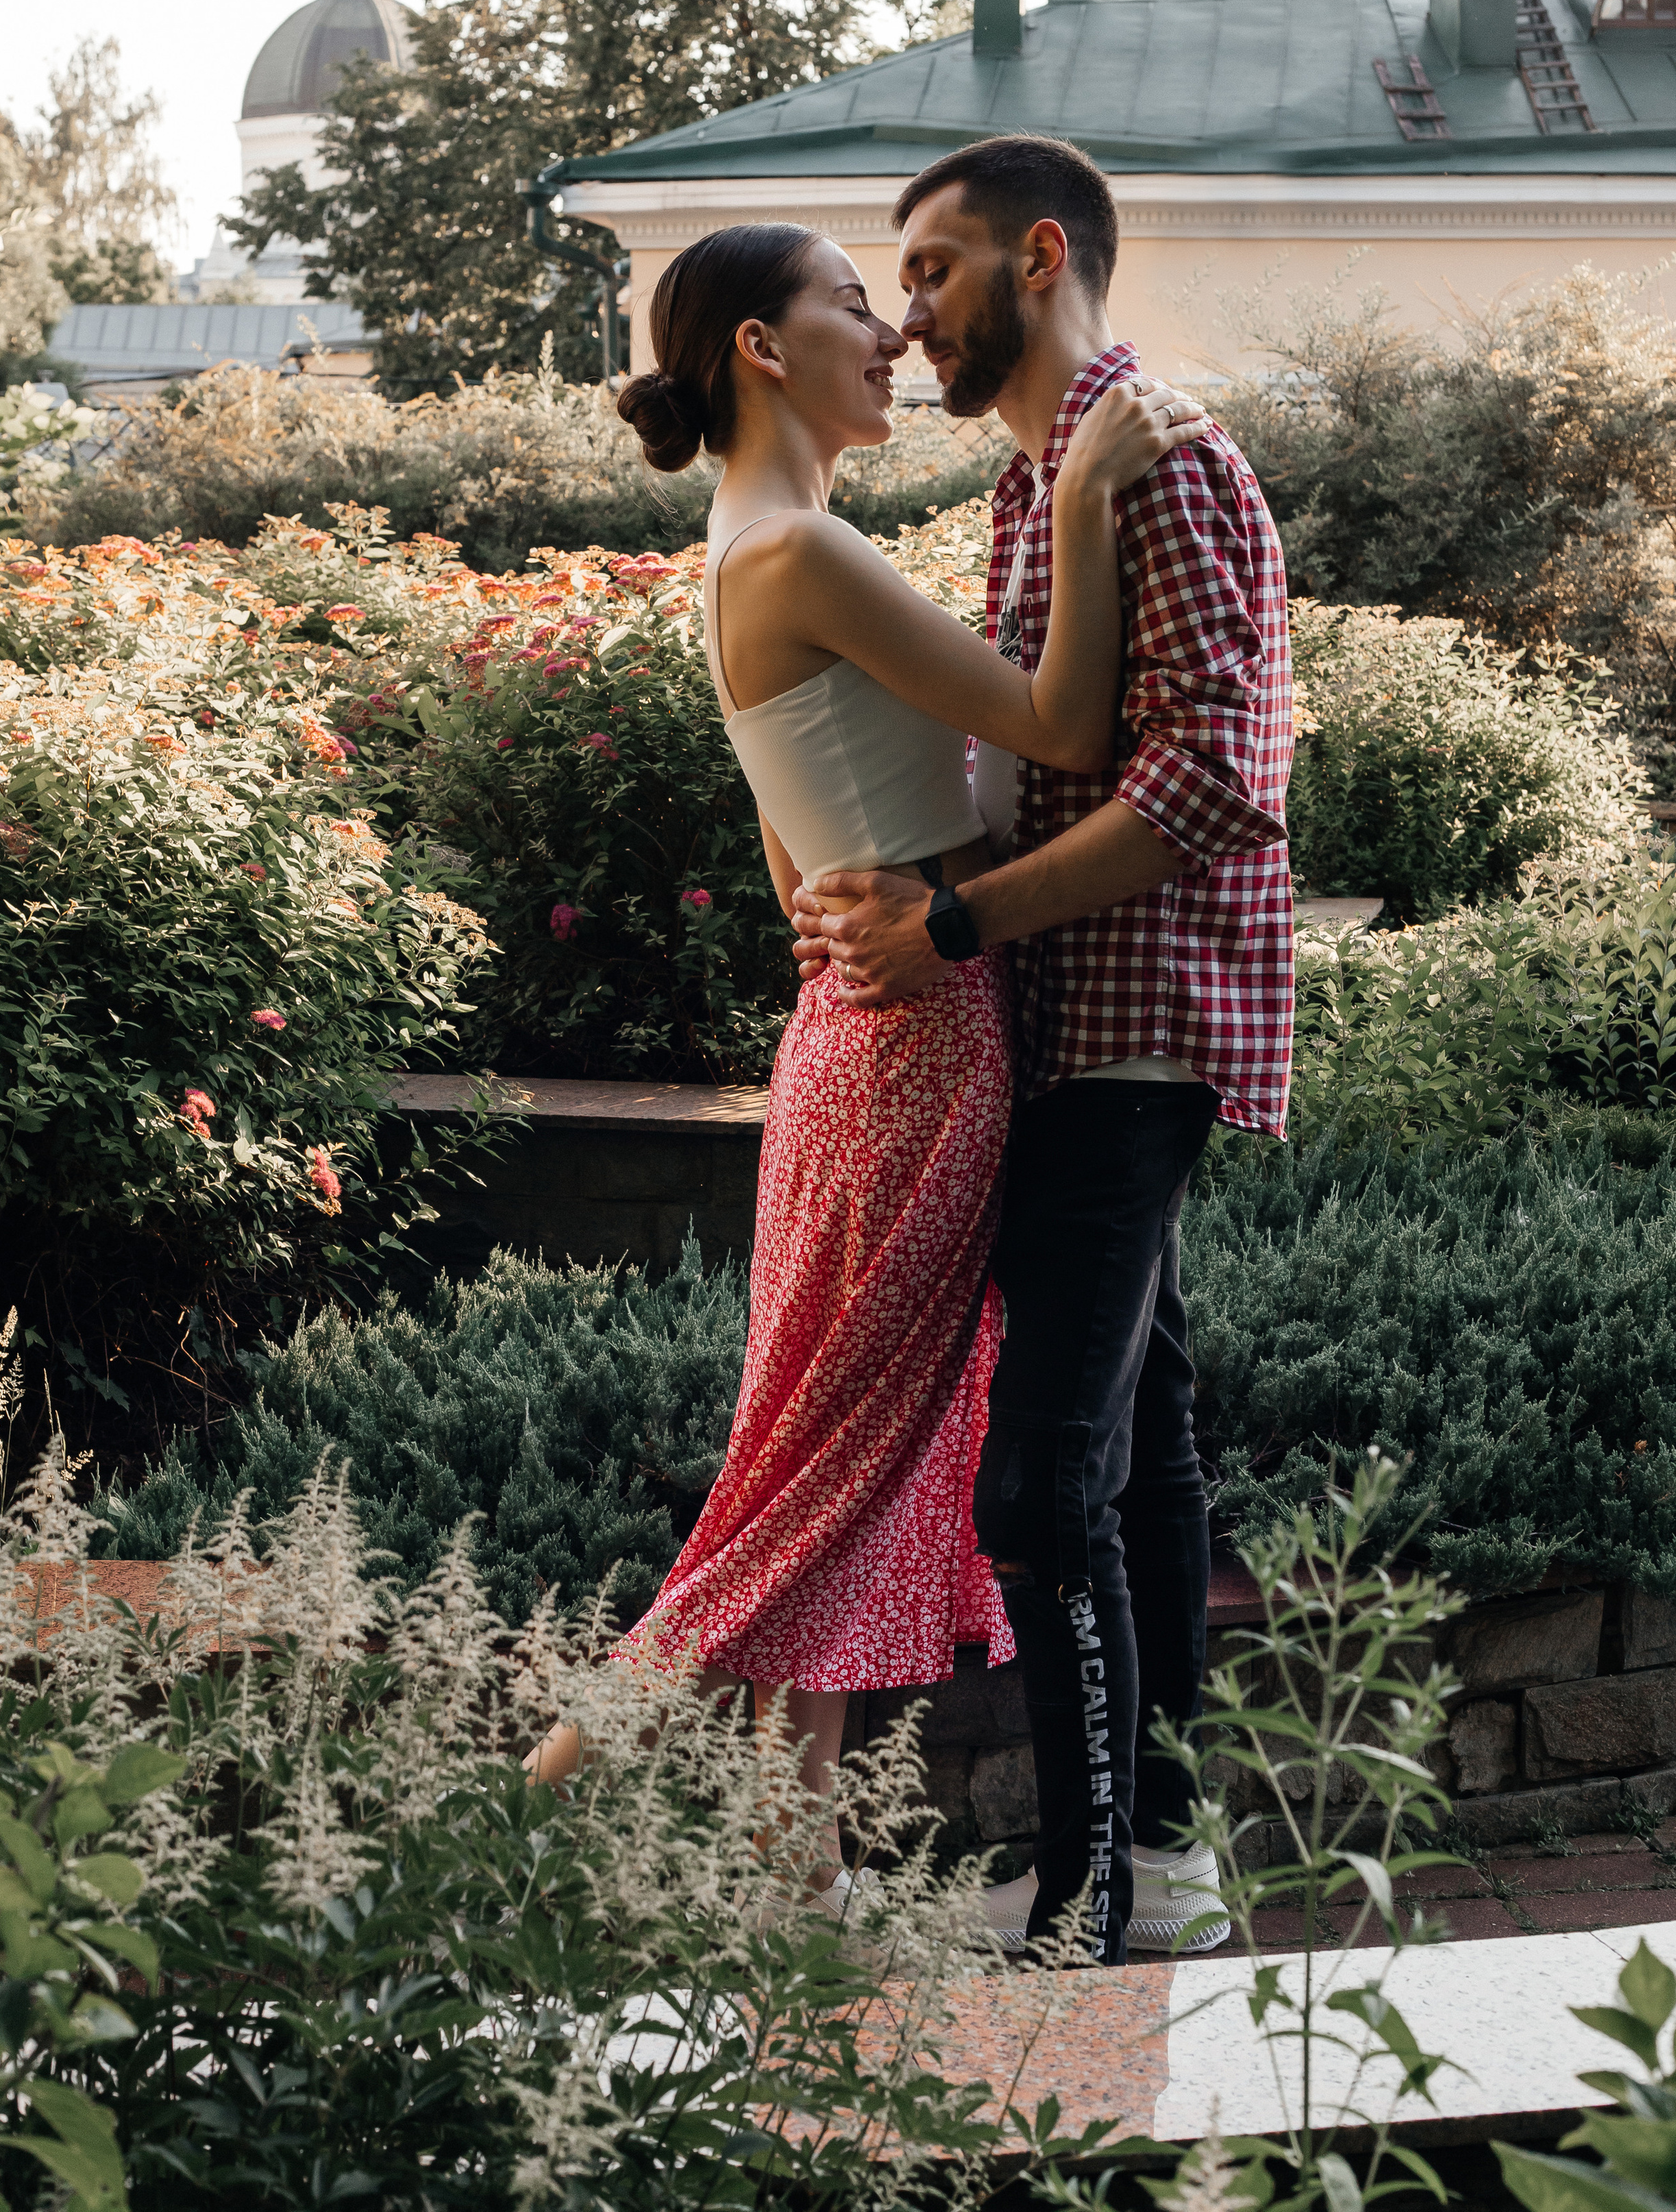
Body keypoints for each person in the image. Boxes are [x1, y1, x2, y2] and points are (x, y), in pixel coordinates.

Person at [524, 221, 1205, 1919]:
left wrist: (864, 893)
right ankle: (480, 1840)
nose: (889, 333)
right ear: (761, 349)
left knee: (814, 1472)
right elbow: (1060, 727)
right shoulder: (802, 550)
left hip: (859, 1040)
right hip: (912, 1049)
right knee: (805, 1490)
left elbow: (789, 866)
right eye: (851, 303)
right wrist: (1085, 491)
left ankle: (793, 1882)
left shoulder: (746, 546)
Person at [789, 134, 1295, 1967]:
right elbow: (1027, 758)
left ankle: (1092, 1901)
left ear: (1040, 255)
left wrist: (955, 924)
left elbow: (1215, 781)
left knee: (1042, 1482)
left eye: (932, 269)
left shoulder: (1163, 462)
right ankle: (1159, 1855)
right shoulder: (1045, 484)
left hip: (1128, 1036)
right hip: (1055, 1030)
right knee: (1143, 1446)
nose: (906, 311)